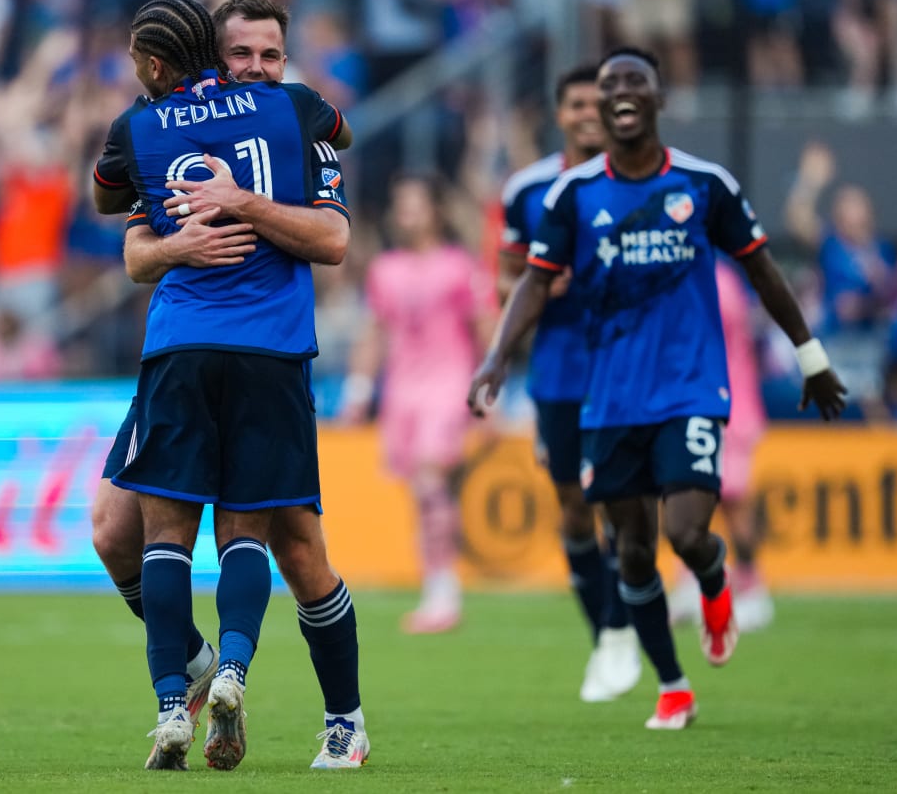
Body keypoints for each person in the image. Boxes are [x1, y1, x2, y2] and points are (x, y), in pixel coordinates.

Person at [469, 47, 847, 731]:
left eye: (633, 82)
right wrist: (498, 357)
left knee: (685, 530)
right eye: (608, 82)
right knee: (634, 549)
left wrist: (811, 356)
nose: (619, 93)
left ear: (658, 98)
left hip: (690, 384)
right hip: (607, 396)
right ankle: (673, 684)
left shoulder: (705, 184)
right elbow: (531, 279)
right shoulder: (571, 195)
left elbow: (763, 271)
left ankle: (712, 575)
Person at [90, 0, 368, 771]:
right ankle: (215, 669)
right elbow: (135, 253)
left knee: (297, 551)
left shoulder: (283, 120)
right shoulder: (289, 113)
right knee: (115, 531)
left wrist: (240, 201)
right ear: (215, 54)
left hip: (238, 348)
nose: (256, 69)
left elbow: (336, 238)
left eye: (270, 56)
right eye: (242, 54)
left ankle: (338, 717)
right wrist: (178, 243)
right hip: (194, 350)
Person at [496, 65, 640, 702]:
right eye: (577, 102)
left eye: (598, 101)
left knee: (627, 502)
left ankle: (619, 633)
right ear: (561, 113)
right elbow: (504, 282)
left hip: (626, 365)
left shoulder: (642, 178)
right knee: (576, 510)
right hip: (557, 369)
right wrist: (534, 284)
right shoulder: (527, 190)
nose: (589, 112)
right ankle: (606, 634)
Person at [340, 173, 485, 635]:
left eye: (414, 205)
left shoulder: (460, 266)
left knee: (429, 480)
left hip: (449, 382)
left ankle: (443, 591)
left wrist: (490, 389)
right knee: (423, 493)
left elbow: (484, 326)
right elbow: (375, 331)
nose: (405, 214)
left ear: (436, 211)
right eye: (400, 206)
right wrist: (360, 389)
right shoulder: (386, 270)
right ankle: (438, 584)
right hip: (404, 390)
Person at [670, 259, 774, 632]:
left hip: (728, 406)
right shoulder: (697, 274)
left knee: (733, 503)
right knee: (690, 498)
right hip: (698, 406)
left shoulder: (720, 279)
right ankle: (690, 583)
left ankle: (751, 588)